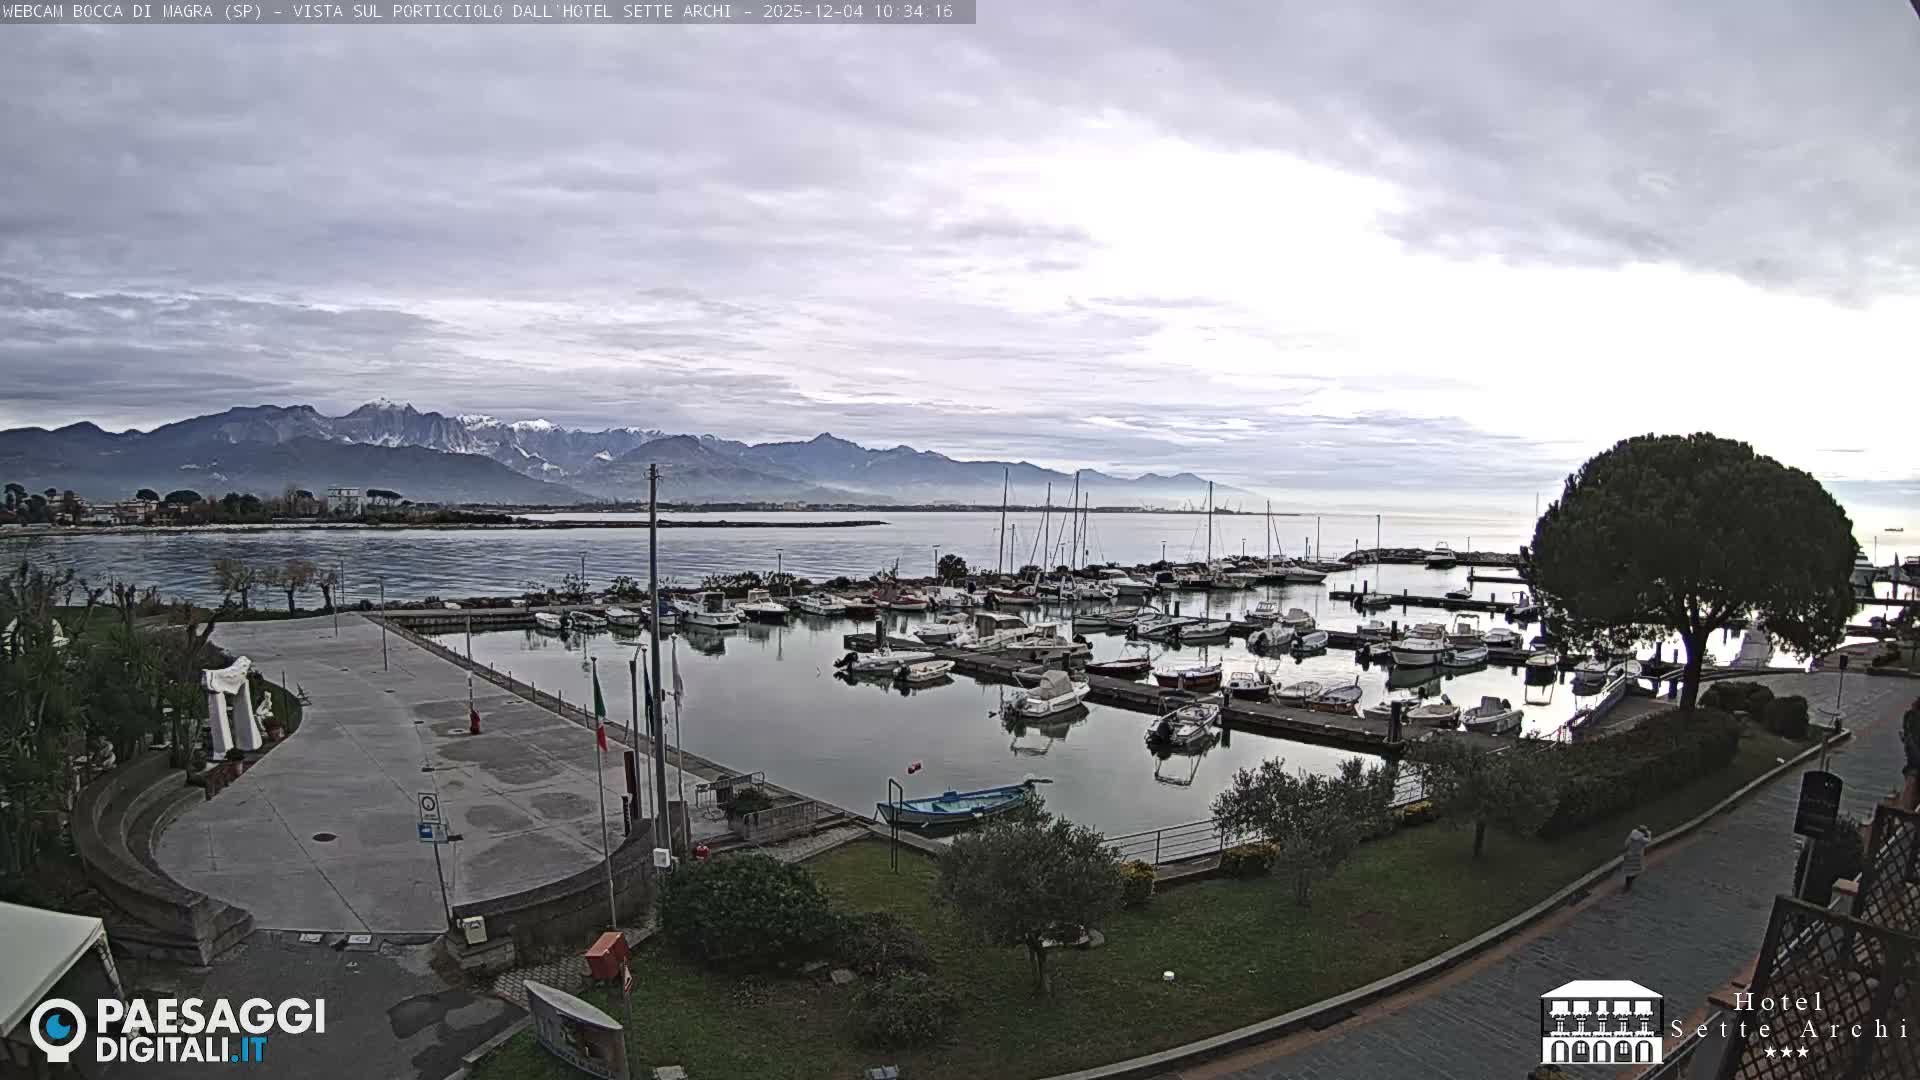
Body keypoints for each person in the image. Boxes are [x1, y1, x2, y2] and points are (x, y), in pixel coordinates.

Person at [1623, 824, 1652, 892]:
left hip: (1629, 855)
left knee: (1628, 871)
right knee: (1637, 870)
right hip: (1637, 857)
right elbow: (1649, 840)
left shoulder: (1631, 835)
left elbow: (1626, 844)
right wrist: (1648, 834)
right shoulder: (1643, 839)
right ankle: (1629, 884)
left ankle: (1627, 884)